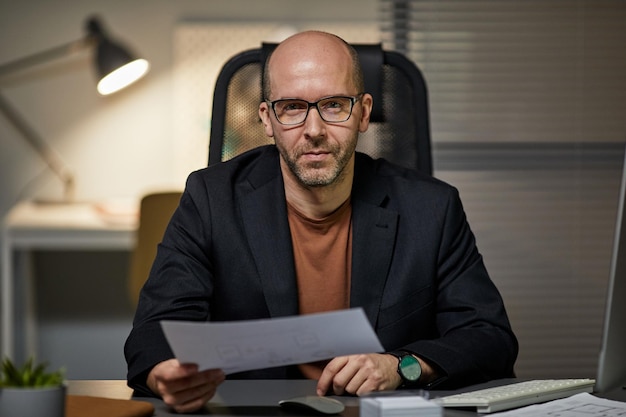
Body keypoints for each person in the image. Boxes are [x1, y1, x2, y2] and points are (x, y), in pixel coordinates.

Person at [125, 30, 518, 414]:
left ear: (364, 112)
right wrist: (166, 374)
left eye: (333, 105)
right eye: (293, 107)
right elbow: (154, 331)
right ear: (267, 119)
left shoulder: (431, 208)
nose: (314, 131)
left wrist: (402, 367)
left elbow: (490, 338)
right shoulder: (211, 199)